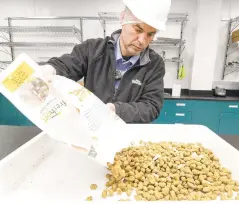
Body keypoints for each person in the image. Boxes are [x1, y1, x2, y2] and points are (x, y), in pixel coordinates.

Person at [41, 0, 171, 123]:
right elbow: (66, 66)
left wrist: (117, 110)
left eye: (150, 34)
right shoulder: (93, 49)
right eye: (138, 29)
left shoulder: (154, 64)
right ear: (123, 19)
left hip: (127, 135)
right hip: (91, 130)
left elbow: (151, 107)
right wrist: (51, 69)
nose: (142, 40)